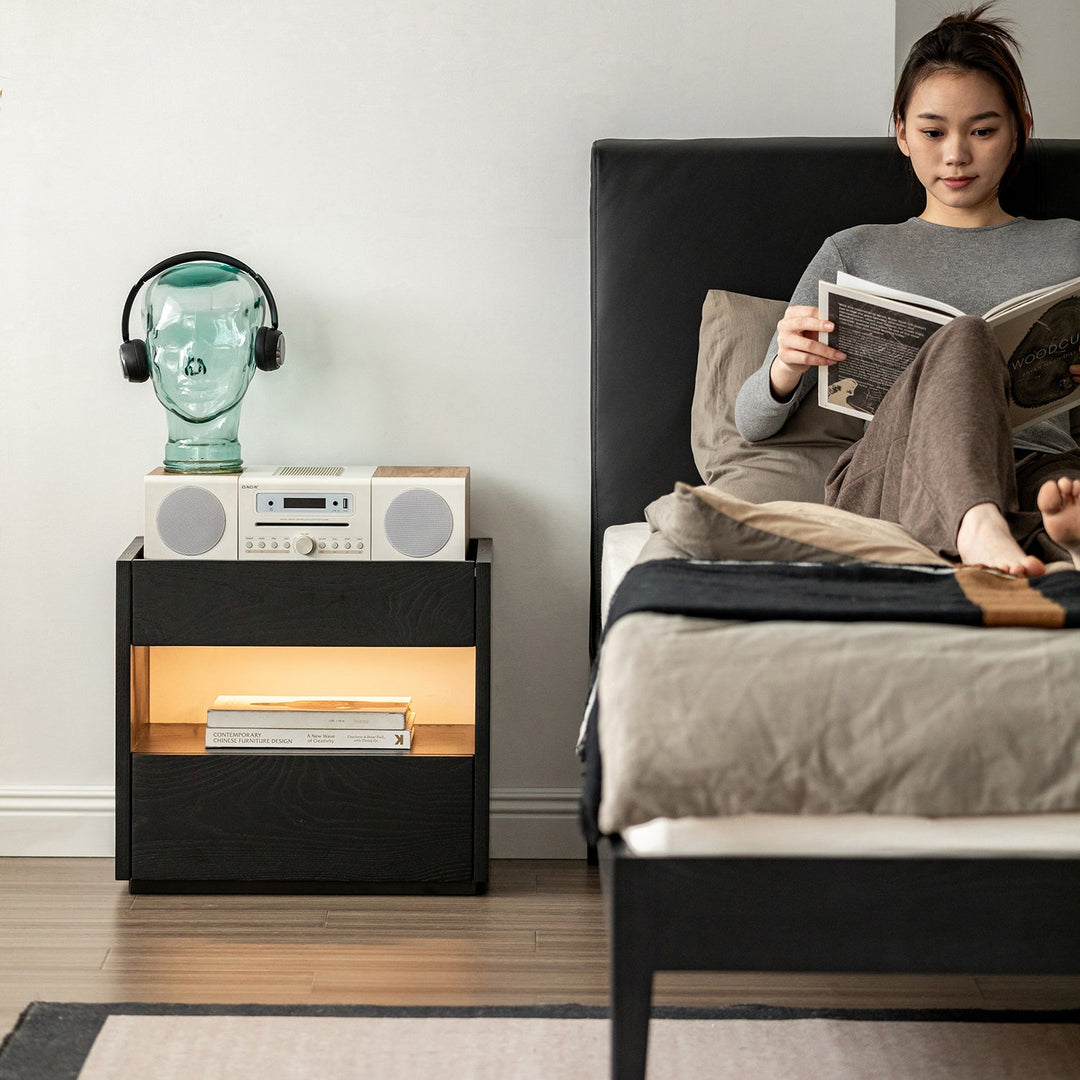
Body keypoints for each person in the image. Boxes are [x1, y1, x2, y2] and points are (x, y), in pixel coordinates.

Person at [733, 3, 1080, 577]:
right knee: (966, 337)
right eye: (932, 131)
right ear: (901, 133)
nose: (956, 155)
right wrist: (786, 367)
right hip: (894, 479)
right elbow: (751, 423)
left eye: (983, 131)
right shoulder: (854, 251)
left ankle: (1045, 541)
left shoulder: (1070, 248)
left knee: (1063, 485)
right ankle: (985, 527)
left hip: (1039, 466)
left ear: (1017, 131)